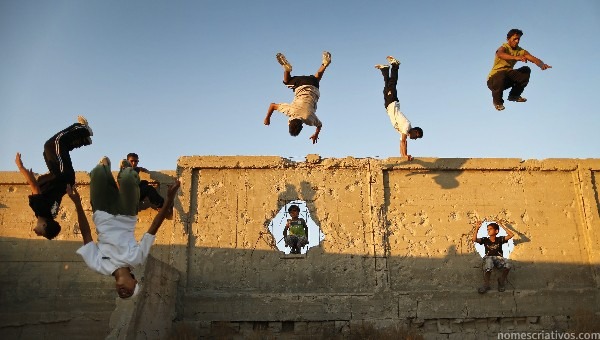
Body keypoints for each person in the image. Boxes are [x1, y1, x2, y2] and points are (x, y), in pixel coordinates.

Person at [68, 157, 180, 299]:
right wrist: (169, 200)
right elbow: (154, 227)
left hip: (101, 211)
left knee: (98, 173)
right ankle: (126, 169)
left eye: (122, 294)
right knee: (128, 177)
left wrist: (77, 203)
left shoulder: (98, 266)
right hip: (126, 213)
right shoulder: (137, 258)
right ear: (135, 282)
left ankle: (105, 167)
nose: (124, 292)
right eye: (129, 292)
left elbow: (86, 235)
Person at [15, 116, 93, 239]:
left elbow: (49, 192)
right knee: (53, 144)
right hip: (61, 175)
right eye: (41, 232)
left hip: (64, 178)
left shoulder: (51, 214)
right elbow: (34, 186)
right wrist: (20, 167)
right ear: (44, 225)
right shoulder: (41, 210)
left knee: (51, 151)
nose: (37, 233)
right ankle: (83, 129)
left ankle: (83, 140)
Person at [264, 51, 331, 144]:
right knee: (287, 82)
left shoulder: (310, 119)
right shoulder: (290, 111)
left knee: (316, 79)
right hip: (301, 84)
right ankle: (287, 69)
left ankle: (324, 64)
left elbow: (319, 126)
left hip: (314, 86)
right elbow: (272, 105)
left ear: (302, 126)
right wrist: (267, 118)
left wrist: (316, 134)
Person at [487, 28, 552, 111]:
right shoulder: (504, 47)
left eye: (518, 39)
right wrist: (515, 57)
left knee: (526, 70)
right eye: (514, 39)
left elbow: (532, 58)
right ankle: (498, 103)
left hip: (506, 80)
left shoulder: (520, 51)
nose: (517, 41)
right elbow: (500, 54)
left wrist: (541, 64)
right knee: (502, 73)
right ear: (508, 39)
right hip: (493, 80)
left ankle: (514, 95)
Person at [375, 56, 423, 160]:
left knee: (386, 87)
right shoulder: (406, 126)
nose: (414, 139)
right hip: (392, 102)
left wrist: (402, 156)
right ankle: (395, 65)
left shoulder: (403, 130)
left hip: (389, 106)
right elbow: (403, 141)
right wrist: (405, 155)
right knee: (392, 84)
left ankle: (385, 69)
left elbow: (402, 142)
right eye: (416, 136)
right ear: (415, 131)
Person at [472, 221, 514, 293]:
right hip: (489, 257)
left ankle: (501, 280)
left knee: (508, 265)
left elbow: (511, 235)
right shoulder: (485, 240)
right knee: (488, 263)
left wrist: (501, 225)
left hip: (498, 259)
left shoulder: (500, 239)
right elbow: (474, 239)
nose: (488, 230)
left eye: (490, 229)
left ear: (496, 231)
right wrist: (477, 228)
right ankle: (486, 284)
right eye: (487, 229)